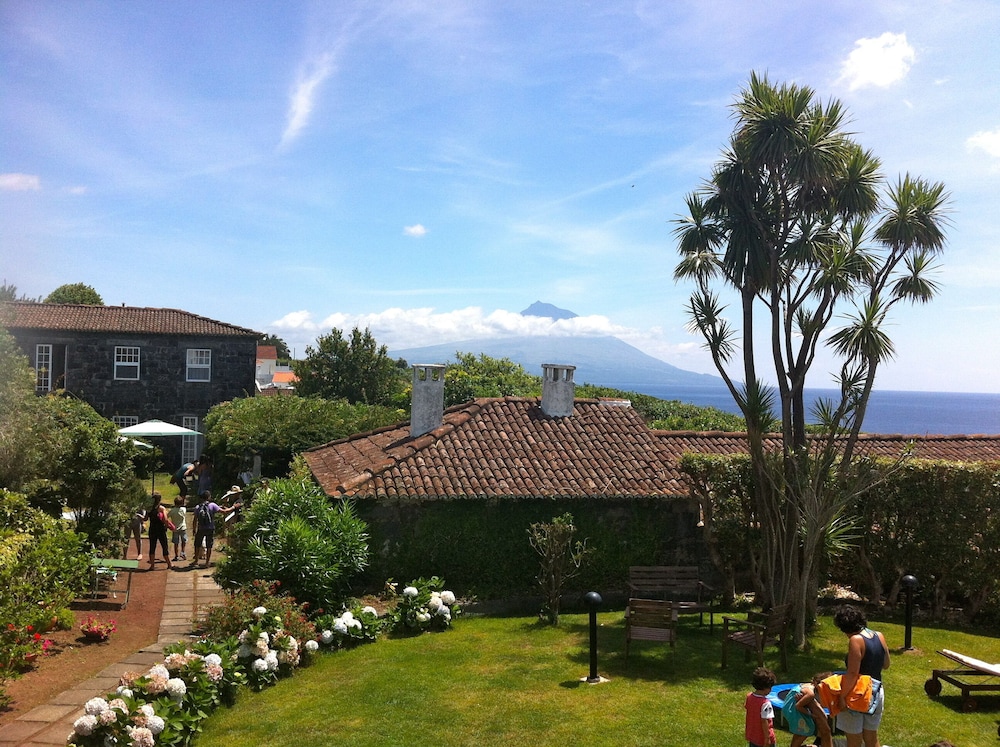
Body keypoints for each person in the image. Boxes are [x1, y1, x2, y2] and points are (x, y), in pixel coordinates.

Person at [833, 605, 890, 747]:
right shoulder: (879, 636)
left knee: (854, 740)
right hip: (876, 692)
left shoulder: (855, 640)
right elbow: (886, 664)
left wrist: (841, 697)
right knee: (871, 738)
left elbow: (852, 673)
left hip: (857, 695)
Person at [191, 490, 240, 568]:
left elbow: (195, 520)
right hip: (210, 528)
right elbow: (224, 512)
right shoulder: (212, 505)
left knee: (197, 544)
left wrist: (194, 529)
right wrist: (233, 507)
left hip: (201, 528)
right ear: (209, 497)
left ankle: (196, 561)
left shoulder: (198, 507)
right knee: (209, 545)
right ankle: (207, 563)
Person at [783, 673, 834, 747]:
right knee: (805, 730)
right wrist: (810, 714)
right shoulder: (810, 694)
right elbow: (798, 706)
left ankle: (818, 742)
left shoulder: (811, 687)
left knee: (823, 718)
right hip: (792, 708)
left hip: (794, 705)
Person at [745, 666, 777, 747]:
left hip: (753, 735)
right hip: (763, 737)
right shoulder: (766, 703)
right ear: (765, 687)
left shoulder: (749, 696)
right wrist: (767, 738)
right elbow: (764, 721)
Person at [146, 492, 176, 571]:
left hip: (152, 529)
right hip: (160, 529)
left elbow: (145, 518)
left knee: (152, 547)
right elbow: (165, 519)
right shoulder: (161, 508)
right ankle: (169, 564)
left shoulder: (149, 508)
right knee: (164, 546)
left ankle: (152, 565)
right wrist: (166, 526)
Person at [168, 495, 187, 562]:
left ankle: (176, 555)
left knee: (176, 543)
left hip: (175, 528)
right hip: (183, 527)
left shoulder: (172, 511)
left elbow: (167, 516)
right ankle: (183, 552)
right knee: (184, 541)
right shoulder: (183, 510)